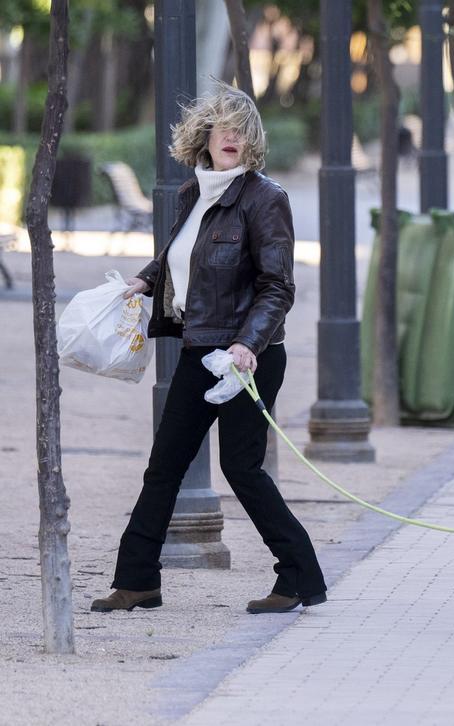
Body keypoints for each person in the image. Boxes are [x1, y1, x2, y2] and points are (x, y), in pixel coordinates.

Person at [90, 82, 327, 616]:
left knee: (242, 470)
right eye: (224, 126)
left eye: (243, 129)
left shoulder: (266, 199)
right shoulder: (193, 193)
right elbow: (183, 256)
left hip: (249, 359)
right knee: (164, 464)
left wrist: (248, 343)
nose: (233, 137)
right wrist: (145, 280)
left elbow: (278, 286)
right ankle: (137, 582)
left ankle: (299, 576)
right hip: (202, 352)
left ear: (252, 141)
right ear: (205, 134)